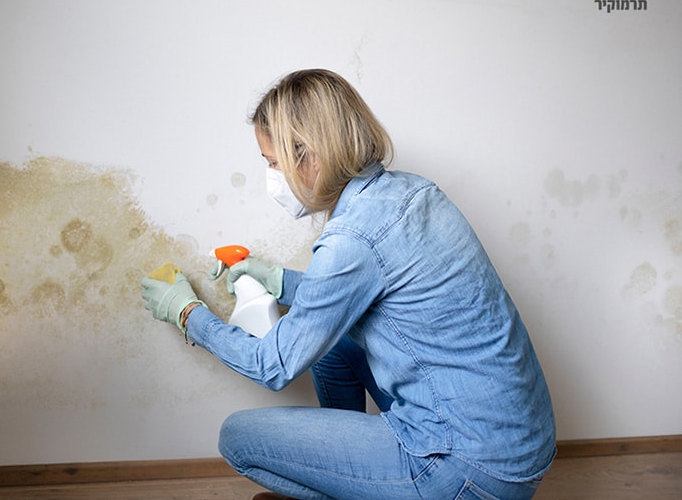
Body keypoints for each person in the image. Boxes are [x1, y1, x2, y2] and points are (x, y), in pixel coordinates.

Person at [141, 69, 556, 500]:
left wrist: (187, 313)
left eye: (273, 163)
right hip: (516, 444)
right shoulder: (413, 192)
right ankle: (358, 481)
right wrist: (279, 281)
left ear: (310, 155)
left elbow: (273, 366)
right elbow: (363, 296)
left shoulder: (353, 238)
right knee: (332, 343)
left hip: (468, 471)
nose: (272, 176)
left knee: (237, 438)